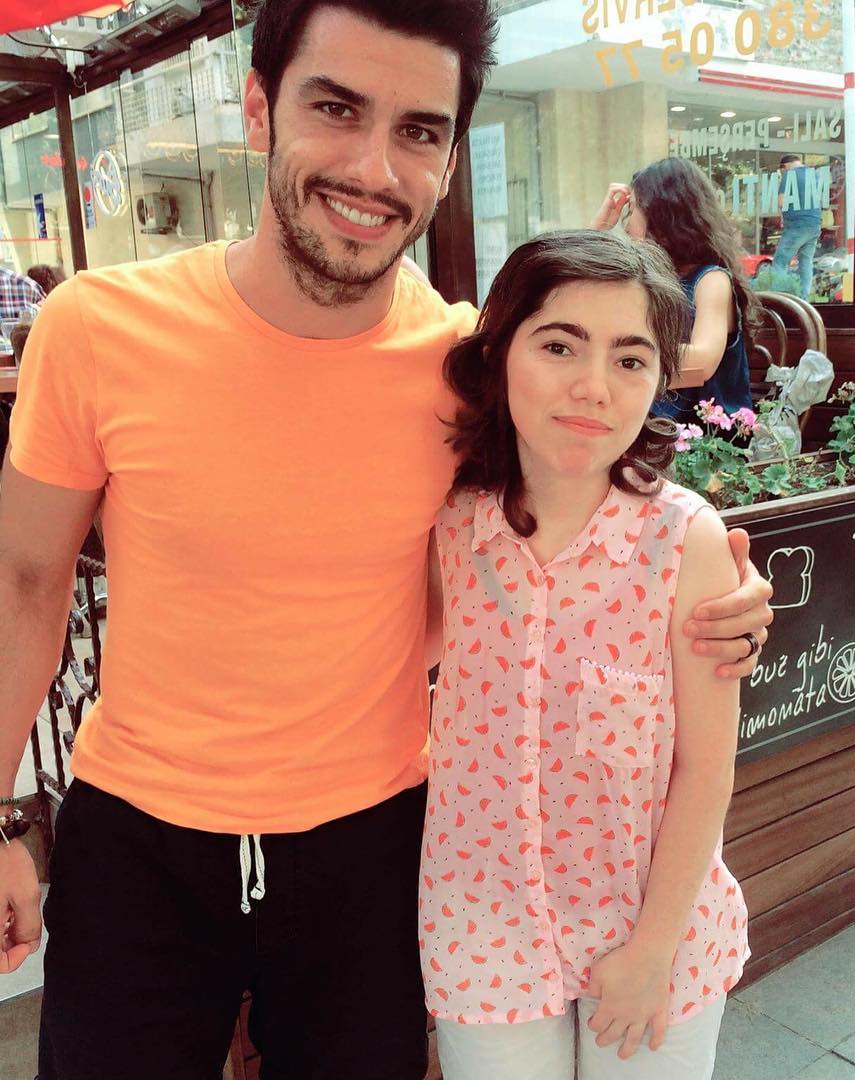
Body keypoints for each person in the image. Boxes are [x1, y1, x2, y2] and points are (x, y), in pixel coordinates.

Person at [0, 2, 773, 1077]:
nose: (374, 167)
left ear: (449, 162)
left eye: (418, 130)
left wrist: (721, 600)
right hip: (139, 839)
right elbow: (26, 580)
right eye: (336, 107)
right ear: (260, 107)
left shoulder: (463, 366)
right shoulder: (96, 328)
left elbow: (577, 504)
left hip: (373, 849)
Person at [424, 229, 746, 1080]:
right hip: (484, 927)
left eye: (630, 360)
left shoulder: (685, 541)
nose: (593, 386)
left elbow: (706, 767)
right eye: (559, 345)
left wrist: (652, 951)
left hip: (653, 927)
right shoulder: (448, 528)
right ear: (500, 354)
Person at [591, 157, 759, 427]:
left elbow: (702, 363)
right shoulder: (650, 279)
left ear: (662, 216)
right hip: (653, 422)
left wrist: (621, 361)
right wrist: (597, 233)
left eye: (632, 210)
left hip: (703, 435)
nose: (626, 225)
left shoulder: (711, 280)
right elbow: (576, 298)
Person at [770, 153, 822, 300]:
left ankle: (779, 299)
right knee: (805, 261)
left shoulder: (789, 175)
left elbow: (781, 202)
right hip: (814, 224)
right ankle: (804, 299)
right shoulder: (814, 174)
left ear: (785, 166)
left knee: (780, 261)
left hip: (797, 225)